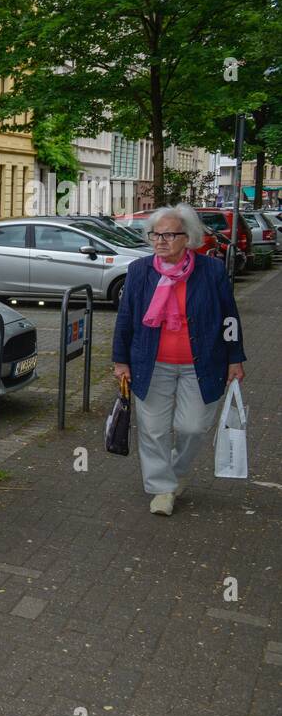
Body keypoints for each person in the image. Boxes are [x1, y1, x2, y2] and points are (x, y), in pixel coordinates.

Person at [112, 203, 246, 515]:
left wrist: (234, 358)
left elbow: (230, 317)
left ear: (188, 237)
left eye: (169, 235)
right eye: (156, 235)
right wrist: (121, 361)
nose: (161, 241)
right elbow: (126, 318)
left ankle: (175, 469)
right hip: (150, 363)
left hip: (202, 363)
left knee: (193, 427)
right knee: (153, 429)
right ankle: (161, 488)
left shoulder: (210, 271)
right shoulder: (139, 271)